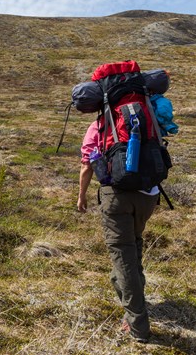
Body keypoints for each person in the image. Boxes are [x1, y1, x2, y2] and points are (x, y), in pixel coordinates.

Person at [77, 119, 159, 344]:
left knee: (123, 257)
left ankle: (138, 326)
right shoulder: (145, 114)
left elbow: (87, 164)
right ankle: (134, 301)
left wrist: (81, 196)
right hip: (149, 195)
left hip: (117, 196)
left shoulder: (99, 125)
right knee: (133, 244)